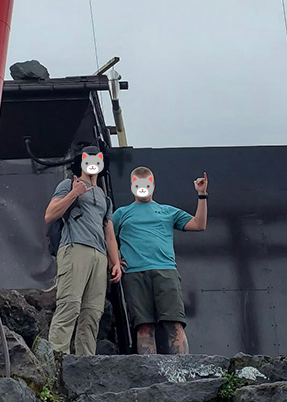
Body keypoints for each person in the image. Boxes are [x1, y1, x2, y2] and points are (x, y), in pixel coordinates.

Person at [111, 167, 208, 355]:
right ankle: (150, 370)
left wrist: (202, 195)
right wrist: (114, 261)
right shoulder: (121, 214)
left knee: (174, 324)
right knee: (144, 327)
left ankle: (182, 368)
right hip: (134, 274)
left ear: (153, 184)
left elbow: (199, 224)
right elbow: (108, 238)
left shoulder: (167, 211)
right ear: (132, 185)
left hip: (165, 271)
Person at [45, 146, 122, 356]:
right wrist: (74, 193)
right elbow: (50, 214)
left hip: (99, 255)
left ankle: (86, 361)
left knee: (93, 312)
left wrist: (115, 262)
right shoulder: (68, 184)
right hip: (75, 247)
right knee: (69, 304)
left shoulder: (105, 198)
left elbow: (109, 233)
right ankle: (57, 358)